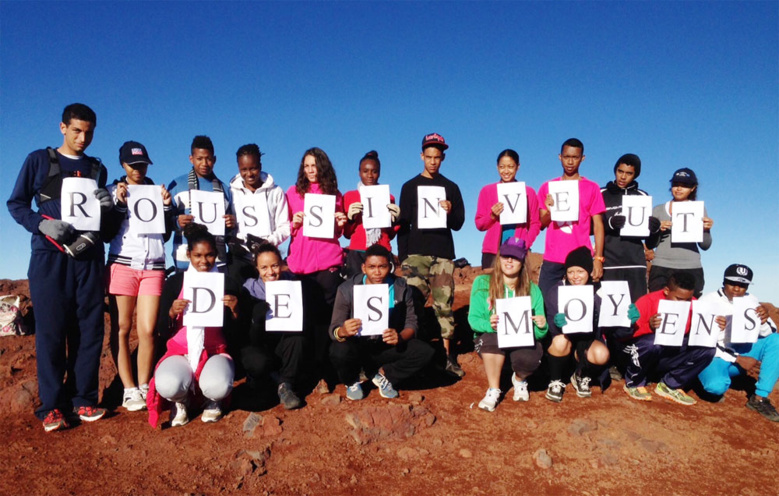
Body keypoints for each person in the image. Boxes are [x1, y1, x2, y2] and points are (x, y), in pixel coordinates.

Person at [7, 103, 119, 432]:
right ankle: (51, 406)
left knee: (88, 330)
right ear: (62, 128)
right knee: (52, 331)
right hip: (49, 257)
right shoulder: (39, 160)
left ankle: (84, 399)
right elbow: (15, 203)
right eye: (76, 131)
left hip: (88, 258)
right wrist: (41, 224)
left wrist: (109, 208)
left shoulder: (98, 168)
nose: (83, 138)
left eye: (89, 132)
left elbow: (107, 229)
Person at [106, 141, 175, 411]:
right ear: (123, 165)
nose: (138, 169)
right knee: (122, 328)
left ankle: (144, 385)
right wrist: (119, 204)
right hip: (122, 265)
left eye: (142, 164)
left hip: (153, 267)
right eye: (133, 165)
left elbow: (166, 234)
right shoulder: (113, 191)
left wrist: (168, 207)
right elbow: (107, 232)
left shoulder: (157, 192)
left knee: (147, 330)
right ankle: (128, 388)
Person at [147, 224, 237, 427]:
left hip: (215, 352)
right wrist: (171, 312)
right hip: (180, 352)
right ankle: (181, 401)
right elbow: (162, 329)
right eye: (197, 255)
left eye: (210, 255)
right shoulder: (175, 282)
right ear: (188, 254)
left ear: (216, 254)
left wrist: (235, 310)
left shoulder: (226, 283)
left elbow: (237, 332)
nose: (204, 261)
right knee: (168, 384)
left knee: (219, 386)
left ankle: (213, 400)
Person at [397, 133, 466, 377]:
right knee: (411, 302)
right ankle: (411, 351)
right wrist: (402, 256)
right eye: (429, 157)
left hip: (442, 254)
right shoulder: (409, 186)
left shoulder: (451, 187)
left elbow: (458, 223)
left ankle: (447, 356)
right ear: (421, 156)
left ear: (443, 158)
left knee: (444, 304)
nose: (433, 161)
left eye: (437, 157)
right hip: (415, 255)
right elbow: (403, 224)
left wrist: (449, 211)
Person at [329, 245, 435, 400]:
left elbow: (412, 323)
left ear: (390, 267)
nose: (377, 272)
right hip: (357, 345)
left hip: (384, 345)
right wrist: (343, 331)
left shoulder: (401, 288)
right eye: (372, 267)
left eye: (382, 267)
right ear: (363, 268)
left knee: (425, 352)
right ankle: (352, 381)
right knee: (338, 350)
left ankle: (382, 374)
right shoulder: (347, 289)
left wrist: (400, 337)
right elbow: (334, 328)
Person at [286, 147, 347, 390]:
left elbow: (337, 232)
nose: (311, 170)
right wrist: (294, 223)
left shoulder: (334, 194)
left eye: (315, 165)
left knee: (324, 321)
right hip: (300, 266)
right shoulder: (292, 193)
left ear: (323, 167)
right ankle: (303, 371)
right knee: (303, 321)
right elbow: (287, 226)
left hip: (328, 264)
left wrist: (340, 223)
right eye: (307, 166)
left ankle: (323, 371)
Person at [468, 238, 548, 412]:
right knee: (490, 340)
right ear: (499, 258)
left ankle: (519, 380)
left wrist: (542, 326)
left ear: (522, 262)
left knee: (531, 357)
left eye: (516, 257)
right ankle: (494, 389)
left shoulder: (533, 290)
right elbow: (473, 320)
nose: (510, 260)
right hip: (493, 338)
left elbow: (540, 334)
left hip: (521, 340)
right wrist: (490, 325)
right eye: (505, 256)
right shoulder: (482, 283)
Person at [697, 264, 779, 421]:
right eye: (732, 283)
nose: (737, 288)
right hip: (716, 356)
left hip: (742, 350)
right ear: (724, 282)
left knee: (776, 341)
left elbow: (770, 333)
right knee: (716, 388)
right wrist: (738, 359)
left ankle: (759, 397)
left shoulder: (751, 299)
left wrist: (763, 320)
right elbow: (701, 344)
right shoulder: (708, 301)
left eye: (742, 285)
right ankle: (700, 376)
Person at [620, 271, 715, 405]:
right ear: (666, 291)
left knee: (708, 348)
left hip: (669, 355)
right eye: (679, 299)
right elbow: (625, 336)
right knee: (652, 342)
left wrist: (717, 325)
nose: (684, 303)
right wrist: (649, 327)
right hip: (642, 354)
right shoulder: (647, 301)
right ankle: (634, 382)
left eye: (688, 299)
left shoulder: (695, 305)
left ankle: (670, 384)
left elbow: (701, 334)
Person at [237, 243, 305, 410]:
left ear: (281, 264)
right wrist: (257, 318)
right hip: (259, 343)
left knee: (298, 338)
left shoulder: (293, 283)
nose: (270, 272)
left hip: (284, 342)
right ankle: (261, 378)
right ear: (257, 268)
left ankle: (285, 385)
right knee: (256, 361)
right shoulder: (249, 288)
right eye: (264, 267)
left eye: (274, 266)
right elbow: (245, 333)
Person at [537, 138, 605, 295]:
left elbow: (598, 225)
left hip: (581, 257)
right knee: (547, 306)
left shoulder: (592, 187)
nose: (570, 162)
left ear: (582, 158)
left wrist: (598, 258)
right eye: (567, 157)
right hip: (553, 257)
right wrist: (550, 211)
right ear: (560, 157)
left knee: (582, 309)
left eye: (575, 157)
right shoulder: (547, 187)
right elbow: (541, 224)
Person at [543, 247, 612, 402]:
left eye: (580, 271)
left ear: (588, 271)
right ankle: (555, 379)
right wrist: (556, 324)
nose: (575, 276)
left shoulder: (599, 293)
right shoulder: (556, 291)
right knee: (560, 341)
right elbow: (549, 328)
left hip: (586, 341)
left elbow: (608, 329)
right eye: (571, 272)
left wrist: (626, 321)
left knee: (602, 354)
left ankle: (581, 375)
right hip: (563, 340)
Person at [168, 135, 235, 271]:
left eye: (208, 159)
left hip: (217, 262)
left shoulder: (225, 190)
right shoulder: (177, 185)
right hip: (184, 262)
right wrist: (176, 222)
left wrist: (230, 224)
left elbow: (227, 229)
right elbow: (163, 222)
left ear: (214, 159)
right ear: (191, 159)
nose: (204, 163)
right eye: (199, 159)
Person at [600, 153, 661, 301]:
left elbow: (650, 243)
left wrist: (654, 230)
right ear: (615, 170)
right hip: (609, 264)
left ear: (635, 175)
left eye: (629, 173)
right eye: (620, 171)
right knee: (609, 315)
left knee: (636, 313)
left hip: (635, 265)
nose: (623, 177)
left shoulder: (642, 196)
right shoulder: (602, 194)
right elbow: (590, 227)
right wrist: (609, 224)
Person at [227, 144, 290, 284]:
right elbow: (225, 224)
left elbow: (285, 226)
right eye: (244, 169)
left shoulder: (275, 191)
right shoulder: (231, 192)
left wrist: (269, 242)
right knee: (240, 298)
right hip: (240, 257)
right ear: (238, 168)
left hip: (267, 259)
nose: (249, 174)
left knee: (266, 301)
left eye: (253, 168)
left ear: (260, 166)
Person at [646, 168, 713, 297]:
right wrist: (657, 230)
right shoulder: (658, 210)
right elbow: (649, 245)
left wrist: (706, 230)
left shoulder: (699, 209)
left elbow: (705, 246)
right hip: (661, 266)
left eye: (684, 186)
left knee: (688, 310)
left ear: (693, 188)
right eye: (676, 185)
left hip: (691, 266)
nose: (679, 189)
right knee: (659, 307)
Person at [474, 149, 541, 270]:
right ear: (497, 167)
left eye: (510, 166)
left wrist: (525, 243)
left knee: (516, 288)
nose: (506, 171)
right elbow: (479, 224)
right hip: (492, 251)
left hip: (518, 249)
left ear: (518, 167)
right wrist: (492, 216)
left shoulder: (528, 192)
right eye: (502, 167)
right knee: (490, 288)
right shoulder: (487, 191)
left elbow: (535, 223)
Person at [343, 150, 401, 277]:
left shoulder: (388, 197)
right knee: (357, 292)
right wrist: (351, 219)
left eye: (374, 171)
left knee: (382, 292)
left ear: (379, 173)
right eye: (365, 171)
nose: (370, 175)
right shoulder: (349, 196)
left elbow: (389, 235)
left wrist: (395, 220)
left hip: (382, 250)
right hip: (357, 252)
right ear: (359, 173)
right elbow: (347, 234)